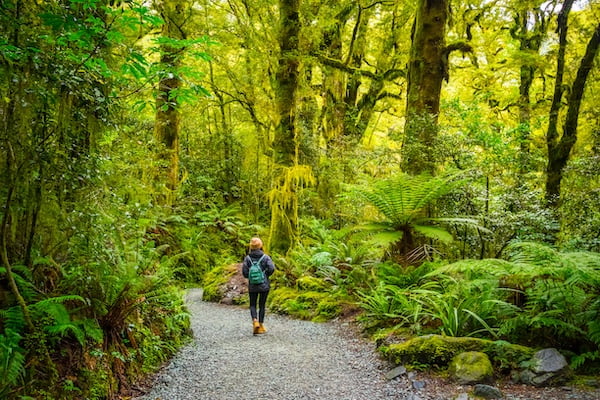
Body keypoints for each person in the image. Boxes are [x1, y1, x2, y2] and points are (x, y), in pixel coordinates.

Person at [242, 237, 275, 335]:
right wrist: (266, 275)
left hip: (252, 285)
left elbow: (244, 273)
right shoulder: (265, 257)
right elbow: (271, 268)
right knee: (262, 305)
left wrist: (251, 277)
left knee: (252, 304)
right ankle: (261, 325)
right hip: (264, 285)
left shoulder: (247, 258)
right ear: (261, 246)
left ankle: (255, 321)